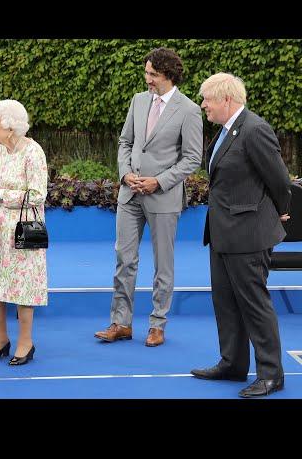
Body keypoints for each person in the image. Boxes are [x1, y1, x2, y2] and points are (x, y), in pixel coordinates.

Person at [190, 73, 290, 398]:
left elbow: (279, 181)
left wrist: (279, 210)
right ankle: (232, 363)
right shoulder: (224, 132)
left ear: (226, 100)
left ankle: (272, 375)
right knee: (225, 301)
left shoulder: (255, 129)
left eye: (207, 99)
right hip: (222, 233)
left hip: (248, 234)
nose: (203, 104)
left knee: (254, 304)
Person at [95, 47, 203, 347]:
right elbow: (125, 142)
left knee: (162, 265)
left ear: (168, 75)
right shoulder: (138, 100)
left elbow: (192, 158)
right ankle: (121, 323)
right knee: (124, 259)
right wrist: (125, 173)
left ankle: (158, 324)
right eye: (146, 73)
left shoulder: (190, 110)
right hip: (130, 194)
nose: (147, 79)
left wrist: (159, 181)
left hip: (164, 197)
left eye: (152, 74)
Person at [0, 99, 48, 366]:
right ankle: (1, 338)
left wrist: (1, 195)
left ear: (9, 127)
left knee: (22, 284)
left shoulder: (33, 151)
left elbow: (38, 194)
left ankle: (25, 342)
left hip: (23, 228)